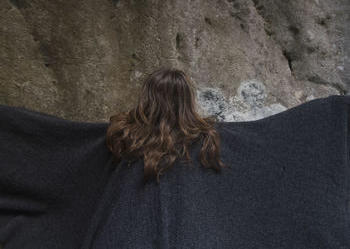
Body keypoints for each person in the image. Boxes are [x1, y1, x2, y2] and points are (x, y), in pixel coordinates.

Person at [0, 68, 349, 248]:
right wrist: (332, 113)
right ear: (188, 99)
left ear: (147, 98)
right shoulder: (209, 140)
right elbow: (270, 143)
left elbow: (55, 145)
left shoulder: (121, 136)